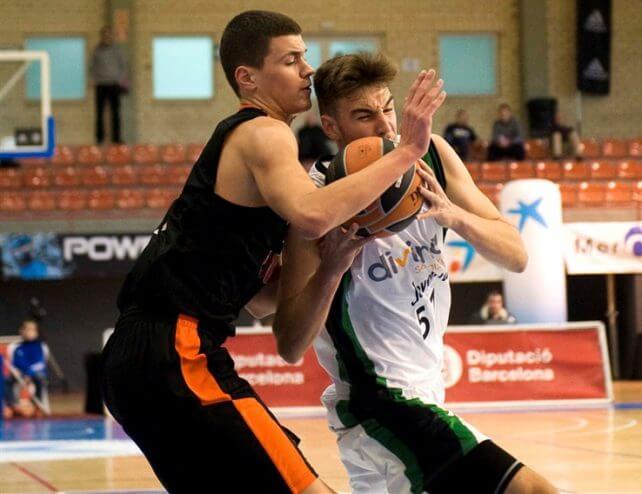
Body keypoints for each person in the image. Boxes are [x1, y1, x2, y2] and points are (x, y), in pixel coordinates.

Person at [101, 10, 445, 494]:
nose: (308, 69)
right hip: (175, 350)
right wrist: (406, 152)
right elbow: (310, 214)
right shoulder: (264, 131)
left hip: (139, 361)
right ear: (248, 77)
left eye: (306, 57)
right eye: (292, 59)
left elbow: (261, 301)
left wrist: (332, 263)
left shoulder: (253, 152)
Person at [273, 52, 556, 493]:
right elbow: (290, 343)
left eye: (387, 109)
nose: (386, 127)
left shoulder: (433, 156)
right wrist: (334, 265)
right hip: (380, 403)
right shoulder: (316, 199)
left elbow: (517, 255)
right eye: (364, 116)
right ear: (331, 128)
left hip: (425, 396)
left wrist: (452, 216)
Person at [3, 320, 50, 416]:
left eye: (32, 330)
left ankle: (36, 406)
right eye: (27, 329)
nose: (29, 332)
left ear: (36, 332)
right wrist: (15, 371)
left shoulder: (41, 347)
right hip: (20, 373)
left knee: (40, 378)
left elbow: (40, 364)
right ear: (21, 331)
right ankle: (13, 406)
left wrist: (29, 374)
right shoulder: (14, 347)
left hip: (35, 374)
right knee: (6, 381)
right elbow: (14, 363)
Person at [89, 26, 127, 144]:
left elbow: (123, 65)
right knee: (99, 112)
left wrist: (120, 79)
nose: (107, 36)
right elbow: (92, 67)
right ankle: (99, 139)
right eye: (105, 34)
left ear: (112, 36)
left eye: (109, 34)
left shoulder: (117, 50)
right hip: (100, 84)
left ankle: (116, 139)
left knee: (116, 113)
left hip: (114, 84)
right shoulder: (96, 50)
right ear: (102, 36)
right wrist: (92, 79)